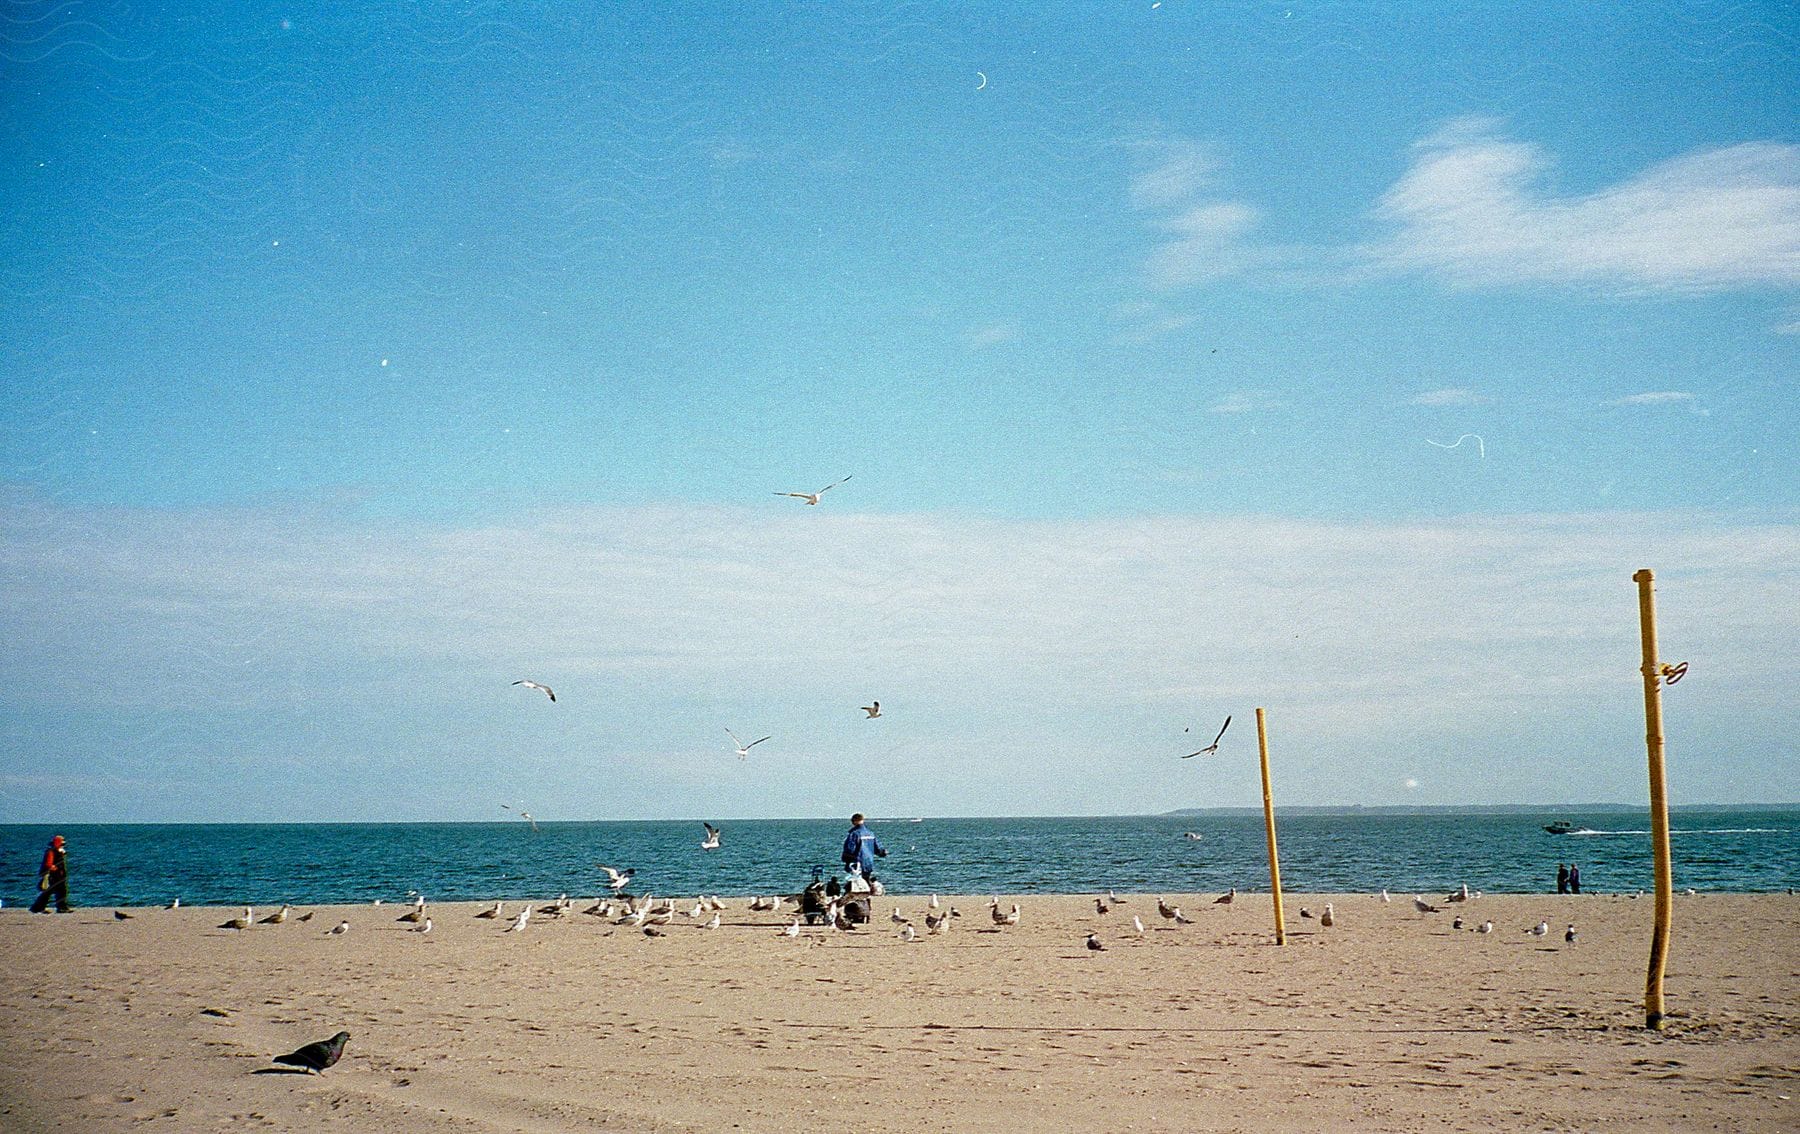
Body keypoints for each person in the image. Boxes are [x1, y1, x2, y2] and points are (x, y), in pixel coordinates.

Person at [841, 813, 888, 884]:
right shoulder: (870, 833)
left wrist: (845, 858)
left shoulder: (854, 834)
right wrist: (883, 853)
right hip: (869, 862)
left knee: (855, 882)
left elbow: (850, 849)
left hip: (857, 862)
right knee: (866, 880)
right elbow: (878, 849)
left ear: (854, 821)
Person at [30, 834, 71, 913]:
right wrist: (52, 868)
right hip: (52, 875)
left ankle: (60, 907)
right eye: (61, 844)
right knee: (51, 892)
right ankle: (38, 908)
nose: (63, 845)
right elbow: (49, 863)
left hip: (59, 875)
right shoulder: (51, 851)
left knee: (60, 891)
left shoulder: (58, 851)